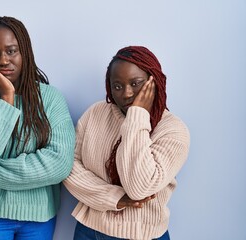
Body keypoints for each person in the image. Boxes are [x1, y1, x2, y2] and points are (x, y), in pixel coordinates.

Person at [0, 16, 75, 240]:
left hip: (38, 216)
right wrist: (6, 98)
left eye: (11, 51)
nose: (3, 60)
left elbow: (59, 165)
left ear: (25, 52)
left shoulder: (50, 98)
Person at [63, 46, 190, 240]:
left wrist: (138, 116)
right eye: (117, 86)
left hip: (145, 235)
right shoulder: (96, 113)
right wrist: (112, 197)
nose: (126, 94)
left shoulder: (173, 130)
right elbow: (68, 166)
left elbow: (138, 188)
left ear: (153, 82)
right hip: (90, 231)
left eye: (136, 83)